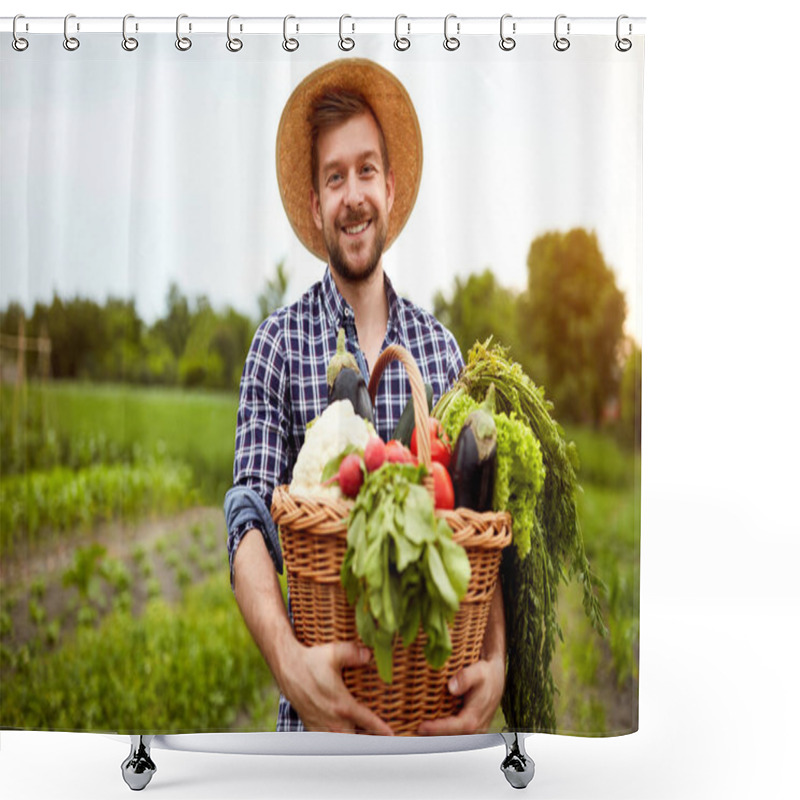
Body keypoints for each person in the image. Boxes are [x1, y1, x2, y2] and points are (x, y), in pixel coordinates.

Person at [224, 59, 505, 736]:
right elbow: (246, 516)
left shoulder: (439, 349)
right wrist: (289, 664)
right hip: (319, 729)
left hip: (429, 715)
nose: (353, 194)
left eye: (366, 170)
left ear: (391, 186)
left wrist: (497, 660)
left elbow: (477, 516)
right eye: (334, 176)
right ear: (317, 203)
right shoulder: (277, 345)